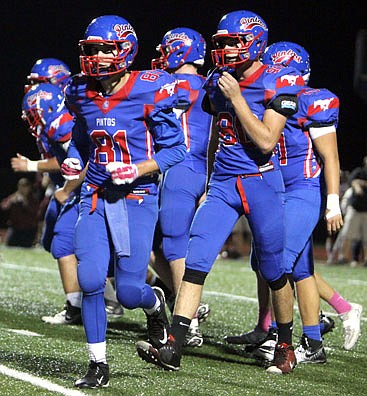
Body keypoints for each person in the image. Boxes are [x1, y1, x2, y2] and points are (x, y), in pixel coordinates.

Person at [136, 10, 305, 375]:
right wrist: (207, 180)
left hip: (261, 183)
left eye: (234, 42)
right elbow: (214, 134)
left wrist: (238, 97)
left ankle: (286, 346)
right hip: (224, 184)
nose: (226, 49)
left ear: (256, 42)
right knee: (195, 262)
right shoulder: (216, 80)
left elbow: (265, 140)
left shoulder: (279, 80)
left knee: (275, 270)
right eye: (222, 43)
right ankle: (174, 347)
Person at [60, 15, 186, 389]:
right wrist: (74, 158)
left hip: (138, 196)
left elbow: (176, 149)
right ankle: (97, 364)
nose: (97, 57)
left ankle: (154, 305)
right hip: (95, 196)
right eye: (92, 49)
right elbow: (81, 139)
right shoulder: (80, 91)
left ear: (125, 51)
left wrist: (139, 168)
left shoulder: (150, 88)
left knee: (130, 293)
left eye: (105, 49)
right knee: (91, 278)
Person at [226, 41, 362, 359]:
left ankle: (282, 336)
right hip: (274, 190)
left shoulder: (314, 101)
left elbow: (331, 158)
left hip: (302, 190)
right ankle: (306, 339)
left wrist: (332, 203)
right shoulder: (262, 99)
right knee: (294, 268)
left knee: (278, 263)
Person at [151, 27, 212, 347]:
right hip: (200, 167)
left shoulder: (177, 85)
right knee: (154, 242)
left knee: (173, 243)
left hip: (178, 167)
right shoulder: (209, 84)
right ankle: (184, 299)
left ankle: (187, 323)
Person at [13, 83, 83, 325]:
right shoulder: (54, 125)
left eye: (33, 114)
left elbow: (80, 162)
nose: (30, 120)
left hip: (83, 190)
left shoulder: (61, 124)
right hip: (73, 189)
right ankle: (79, 305)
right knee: (59, 243)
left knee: (67, 244)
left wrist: (65, 188)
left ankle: (83, 305)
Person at [340, 151, 367, 267]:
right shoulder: (359, 171)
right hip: (355, 208)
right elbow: (352, 181)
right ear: (366, 160)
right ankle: (344, 258)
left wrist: (361, 183)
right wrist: (357, 184)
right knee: (347, 235)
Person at [0, 178, 39, 247]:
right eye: (21, 186)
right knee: (9, 247)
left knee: (26, 248)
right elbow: (4, 207)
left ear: (29, 188)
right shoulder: (13, 197)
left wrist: (25, 203)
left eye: (25, 186)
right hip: (15, 228)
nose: (23, 188)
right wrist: (11, 201)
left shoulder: (33, 199)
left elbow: (35, 211)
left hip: (28, 230)